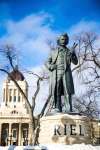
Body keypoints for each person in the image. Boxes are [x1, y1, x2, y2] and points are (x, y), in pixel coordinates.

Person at [45, 33, 78, 112]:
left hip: (66, 73)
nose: (64, 41)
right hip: (56, 73)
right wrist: (51, 66)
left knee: (67, 90)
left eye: (66, 39)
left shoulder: (69, 51)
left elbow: (75, 62)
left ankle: (68, 108)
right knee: (57, 90)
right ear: (59, 41)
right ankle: (57, 107)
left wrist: (73, 53)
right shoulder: (53, 52)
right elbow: (47, 62)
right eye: (62, 39)